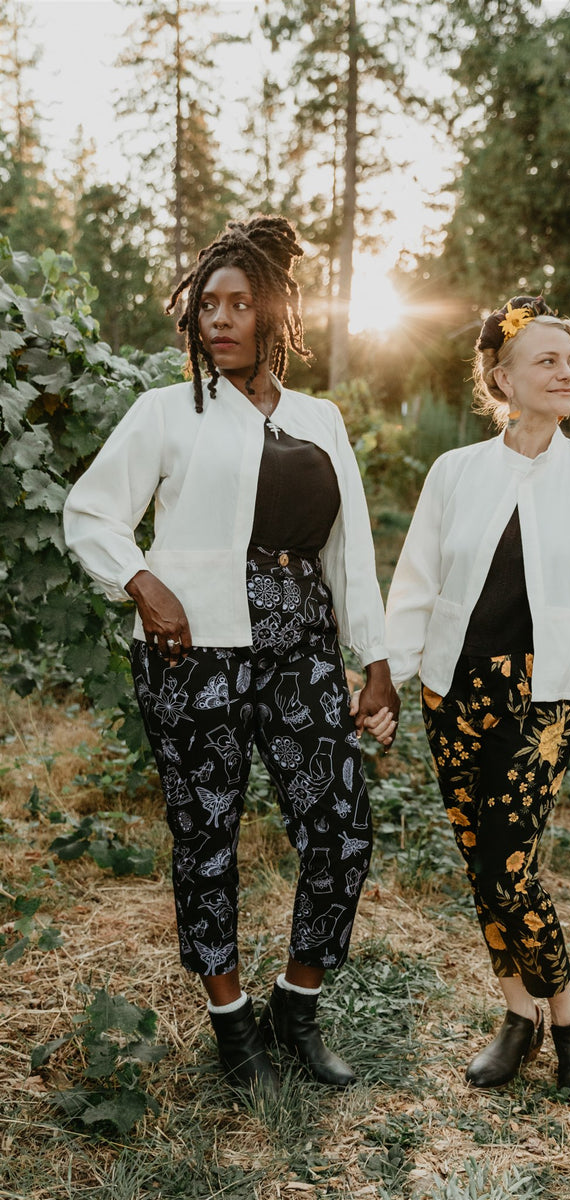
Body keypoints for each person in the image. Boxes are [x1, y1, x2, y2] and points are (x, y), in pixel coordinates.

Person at [63, 214, 399, 1099]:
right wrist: (142, 581)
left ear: (275, 314)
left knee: (340, 828)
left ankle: (298, 1004)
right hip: (191, 656)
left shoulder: (320, 419)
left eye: (240, 303)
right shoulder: (165, 412)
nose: (219, 319)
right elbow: (91, 512)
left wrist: (375, 661)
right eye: (207, 304)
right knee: (205, 838)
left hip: (301, 654)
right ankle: (231, 1025)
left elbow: (350, 551)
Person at [380, 296, 570, 1097]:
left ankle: (568, 1019)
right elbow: (419, 584)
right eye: (548, 360)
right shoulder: (456, 473)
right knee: (482, 862)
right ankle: (516, 1013)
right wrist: (391, 676)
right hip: (454, 691)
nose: (567, 371)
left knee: (512, 864)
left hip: (545, 695)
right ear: (501, 377)